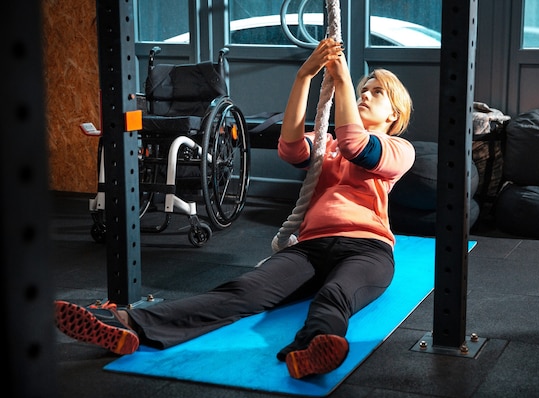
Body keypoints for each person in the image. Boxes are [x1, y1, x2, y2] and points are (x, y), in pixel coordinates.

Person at [53, 38, 415, 379]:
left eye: (377, 92)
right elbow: (290, 148)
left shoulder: (399, 149)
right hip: (309, 248)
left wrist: (342, 82)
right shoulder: (327, 144)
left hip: (367, 249)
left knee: (335, 295)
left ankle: (313, 348)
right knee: (241, 291)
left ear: (395, 113)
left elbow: (356, 145)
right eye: (363, 89)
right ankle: (128, 324)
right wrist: (304, 75)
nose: (366, 95)